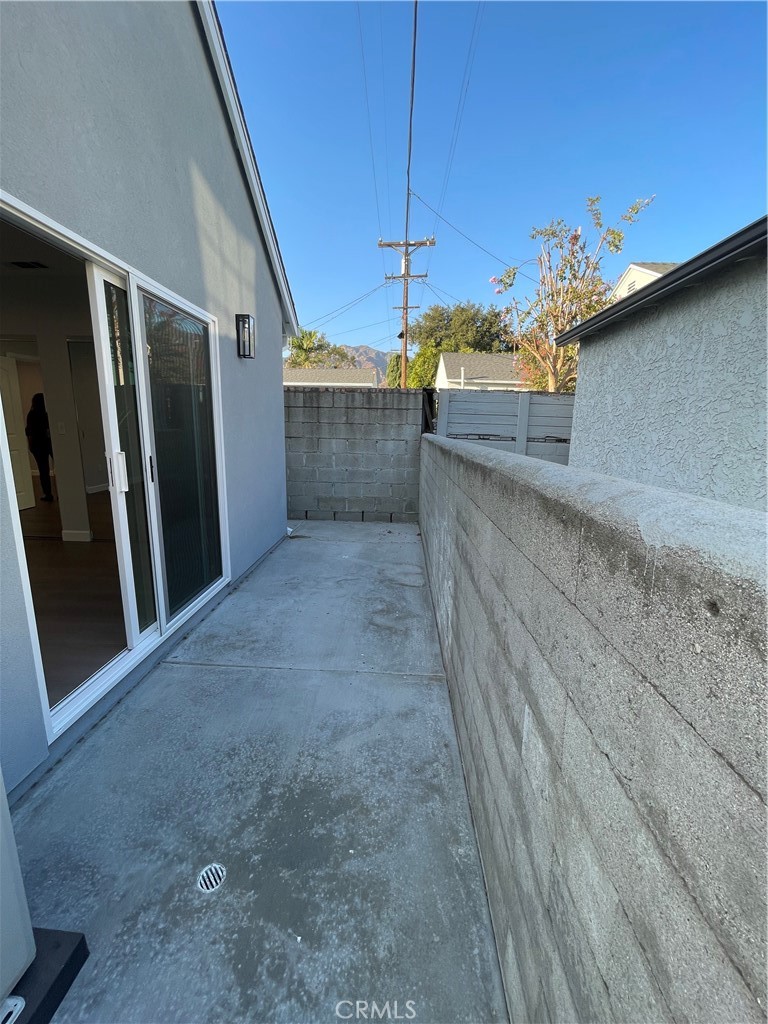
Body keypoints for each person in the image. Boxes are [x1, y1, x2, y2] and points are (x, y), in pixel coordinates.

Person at [25, 392, 54, 502]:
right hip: (48, 443)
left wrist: (30, 445)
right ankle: (62, 491)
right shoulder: (46, 413)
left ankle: (48, 494)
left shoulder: (31, 415)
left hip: (37, 445)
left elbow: (28, 432)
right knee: (58, 467)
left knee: (43, 470)